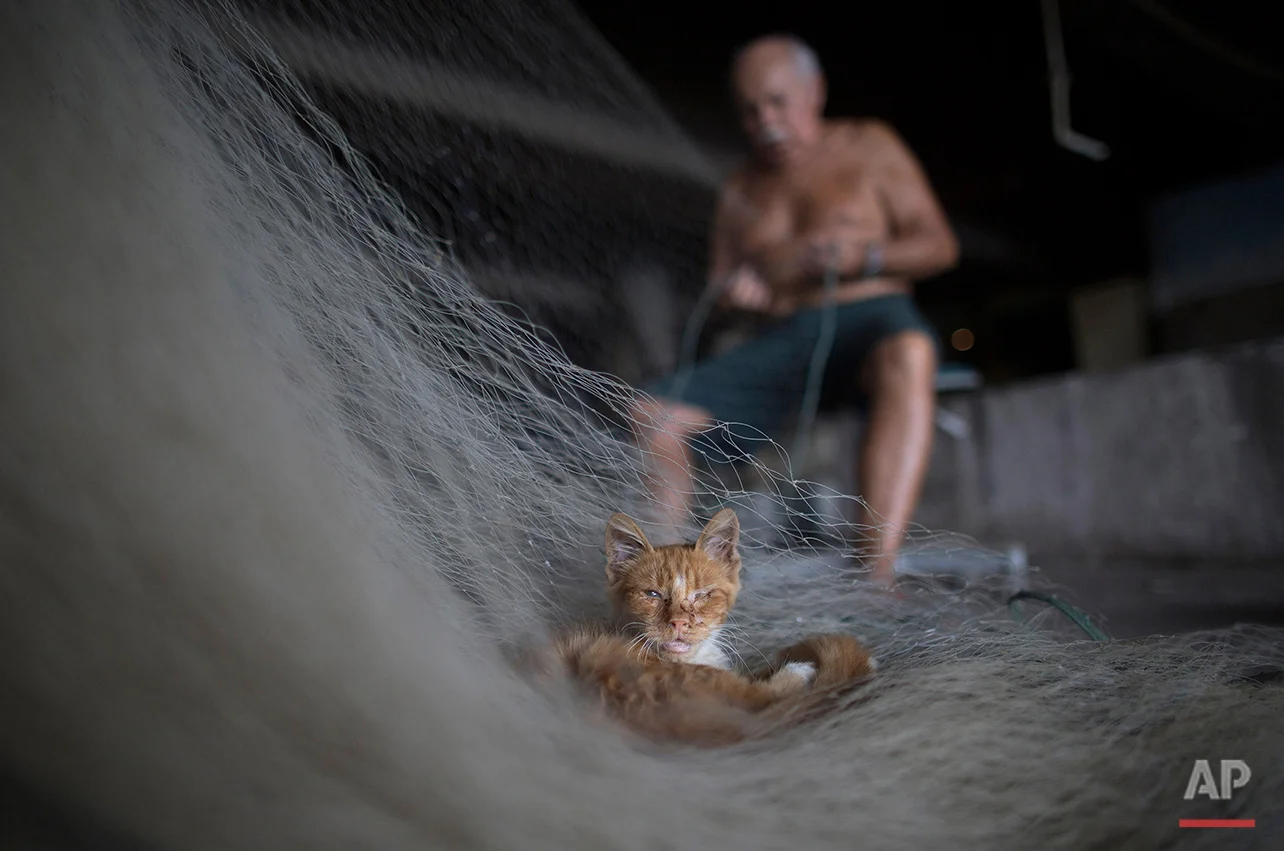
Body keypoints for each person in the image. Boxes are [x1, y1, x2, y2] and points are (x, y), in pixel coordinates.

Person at [633, 34, 960, 587]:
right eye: (751, 111)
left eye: (778, 103)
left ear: (816, 92)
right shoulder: (741, 185)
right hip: (783, 339)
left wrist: (868, 254)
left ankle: (876, 574)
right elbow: (719, 290)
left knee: (911, 349)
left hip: (872, 320)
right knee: (653, 415)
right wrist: (738, 297)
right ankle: (665, 582)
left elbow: (940, 246)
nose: (767, 123)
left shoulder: (870, 146)